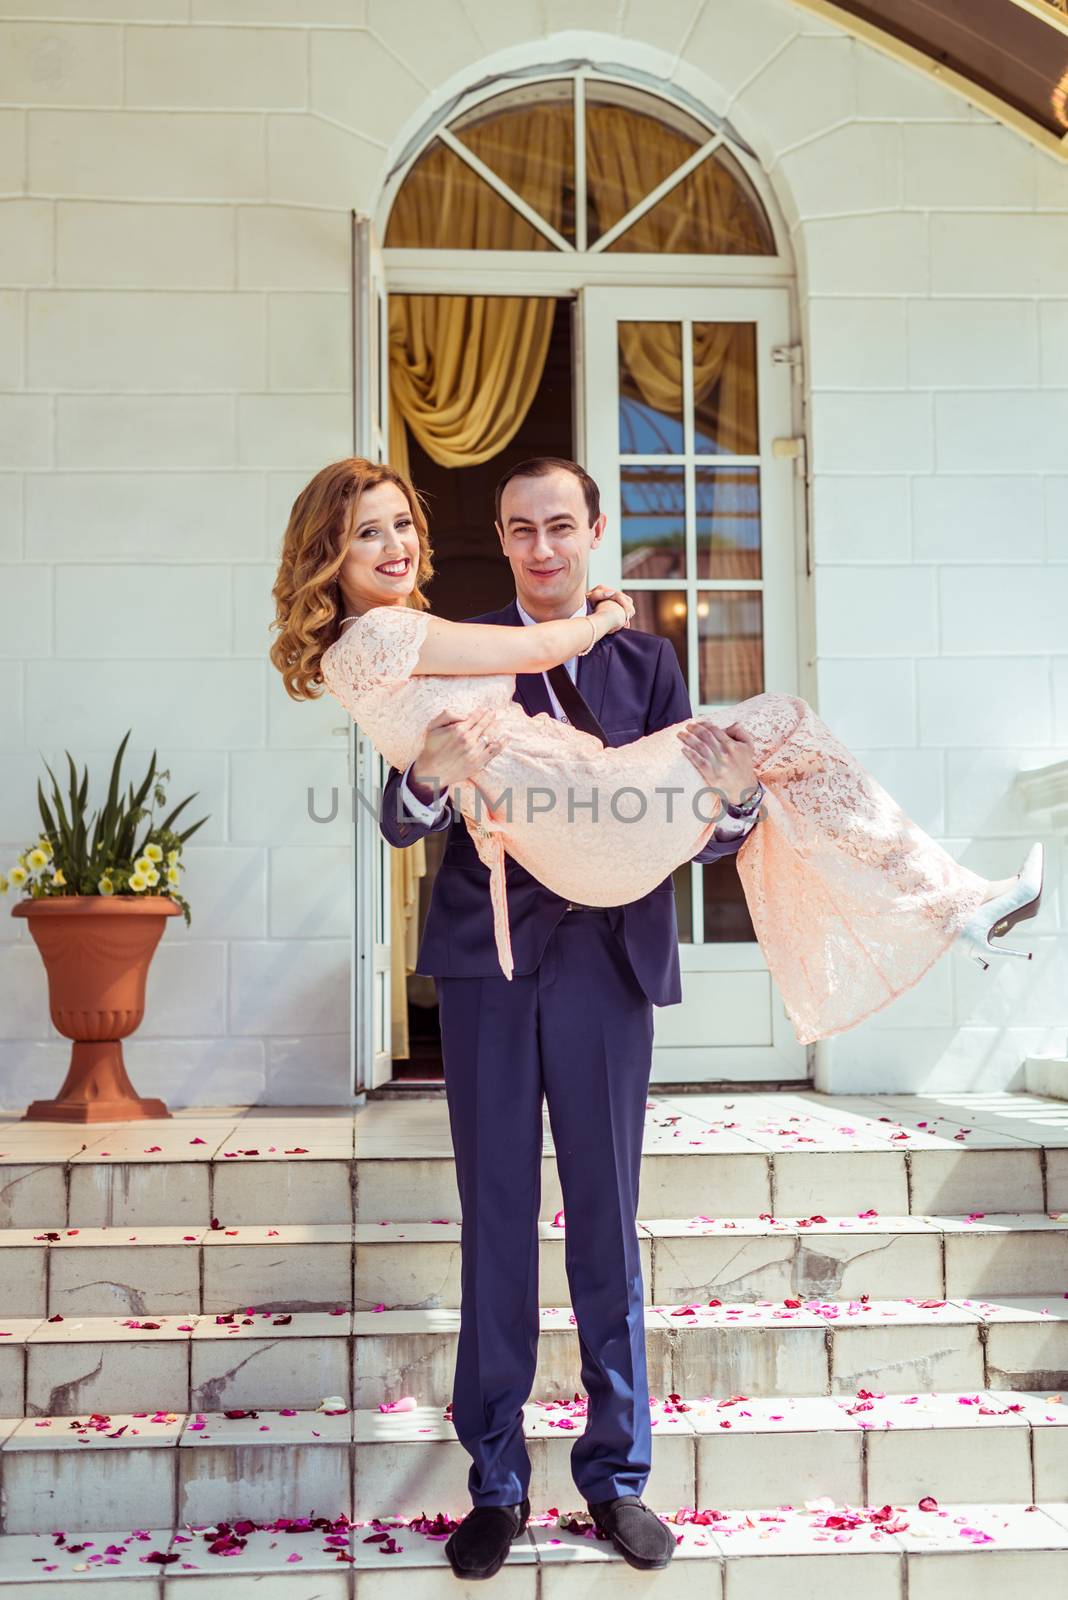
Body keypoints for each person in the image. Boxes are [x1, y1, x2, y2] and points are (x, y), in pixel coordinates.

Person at [271, 454, 1043, 1581]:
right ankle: (495, 1484)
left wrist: (733, 797)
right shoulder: (439, 634)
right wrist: (432, 779)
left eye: (560, 528)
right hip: (488, 968)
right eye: (520, 530)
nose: (541, 548)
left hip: (606, 964)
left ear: (591, 535)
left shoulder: (647, 657)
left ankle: (613, 1478)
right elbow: (398, 810)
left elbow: (704, 822)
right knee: (494, 1226)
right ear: (499, 537)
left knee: (606, 1220)